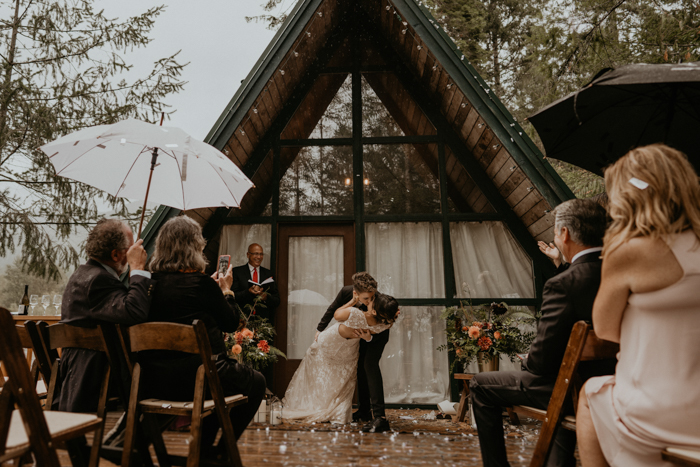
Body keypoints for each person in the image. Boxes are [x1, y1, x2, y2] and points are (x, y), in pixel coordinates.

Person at [577, 144, 700, 466]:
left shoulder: (630, 250)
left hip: (661, 411)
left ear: (629, 197)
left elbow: (605, 329)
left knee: (591, 392)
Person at [469, 198, 616, 467]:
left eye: (555, 232)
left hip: (568, 389)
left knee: (480, 385)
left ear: (565, 234)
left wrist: (526, 360)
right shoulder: (622, 273)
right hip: (613, 382)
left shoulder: (562, 285)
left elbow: (540, 364)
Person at [138, 216, 266, 450]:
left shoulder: (146, 286)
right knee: (256, 382)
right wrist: (226, 291)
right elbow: (229, 323)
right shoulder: (203, 285)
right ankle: (211, 450)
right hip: (199, 380)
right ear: (194, 247)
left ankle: (204, 450)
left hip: (153, 381)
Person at [57, 218, 154, 413]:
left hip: (76, 373)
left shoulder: (82, 274)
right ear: (116, 254)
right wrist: (137, 269)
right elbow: (134, 312)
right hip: (93, 378)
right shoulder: (99, 280)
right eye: (130, 248)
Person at [283, 292, 399, 424]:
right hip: (333, 343)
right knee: (324, 374)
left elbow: (337, 314)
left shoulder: (355, 313)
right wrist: (391, 316)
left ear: (374, 311)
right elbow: (332, 310)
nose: (368, 301)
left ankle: (328, 407)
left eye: (371, 300)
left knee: (339, 376)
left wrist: (353, 303)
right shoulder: (382, 325)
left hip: (344, 345)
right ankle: (324, 405)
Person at [315, 272, 394, 433]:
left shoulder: (378, 298)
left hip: (377, 335)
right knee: (360, 368)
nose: (370, 301)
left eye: (373, 297)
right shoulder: (346, 292)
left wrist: (370, 337)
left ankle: (380, 417)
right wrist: (319, 329)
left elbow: (389, 318)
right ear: (355, 293)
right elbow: (332, 310)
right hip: (359, 336)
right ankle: (364, 410)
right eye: (367, 299)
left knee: (370, 365)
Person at [231, 243, 280, 322]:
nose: (259, 257)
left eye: (261, 254)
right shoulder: (237, 272)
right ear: (248, 255)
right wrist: (248, 292)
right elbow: (232, 297)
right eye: (256, 254)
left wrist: (266, 297)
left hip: (262, 321)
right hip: (242, 320)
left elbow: (277, 300)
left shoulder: (268, 274)